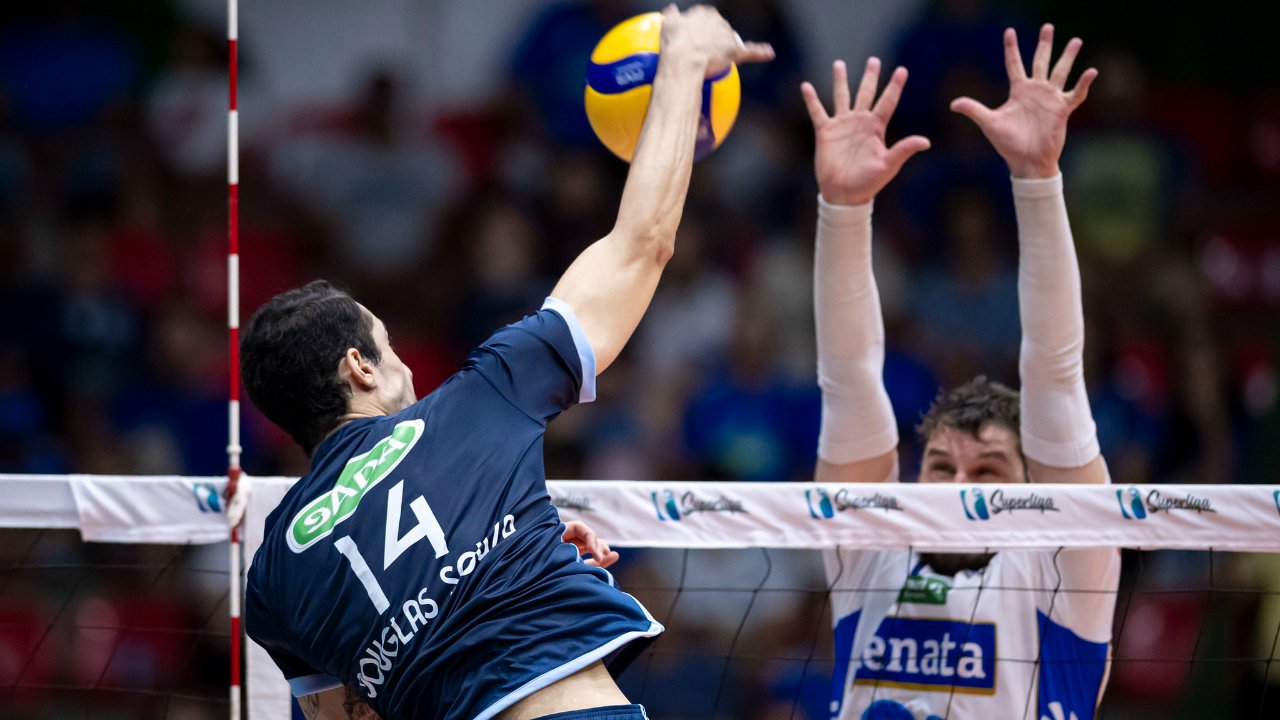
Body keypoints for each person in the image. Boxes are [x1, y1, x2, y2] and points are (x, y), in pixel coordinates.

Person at [239, 7, 773, 720]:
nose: (409, 372)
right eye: (390, 349)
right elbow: (641, 244)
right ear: (359, 369)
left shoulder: (272, 576)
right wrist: (679, 65)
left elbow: (342, 715)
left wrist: (522, 554)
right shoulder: (473, 405)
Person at [801, 25, 1119, 720]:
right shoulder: (872, 553)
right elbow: (850, 377)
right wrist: (844, 211)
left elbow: (1056, 374)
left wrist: (1037, 180)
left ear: (1036, 493)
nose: (959, 490)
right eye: (942, 468)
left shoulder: (1063, 570)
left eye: (988, 473)